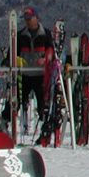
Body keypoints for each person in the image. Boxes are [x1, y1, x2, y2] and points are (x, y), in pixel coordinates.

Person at [10, 7, 55, 135]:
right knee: (15, 101)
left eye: (30, 18)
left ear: (36, 18)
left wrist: (45, 59)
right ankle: (6, 122)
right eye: (26, 19)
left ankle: (44, 130)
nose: (28, 21)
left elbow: (51, 52)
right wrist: (15, 60)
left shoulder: (45, 34)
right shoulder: (20, 35)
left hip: (40, 76)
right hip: (24, 75)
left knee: (42, 104)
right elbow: (12, 53)